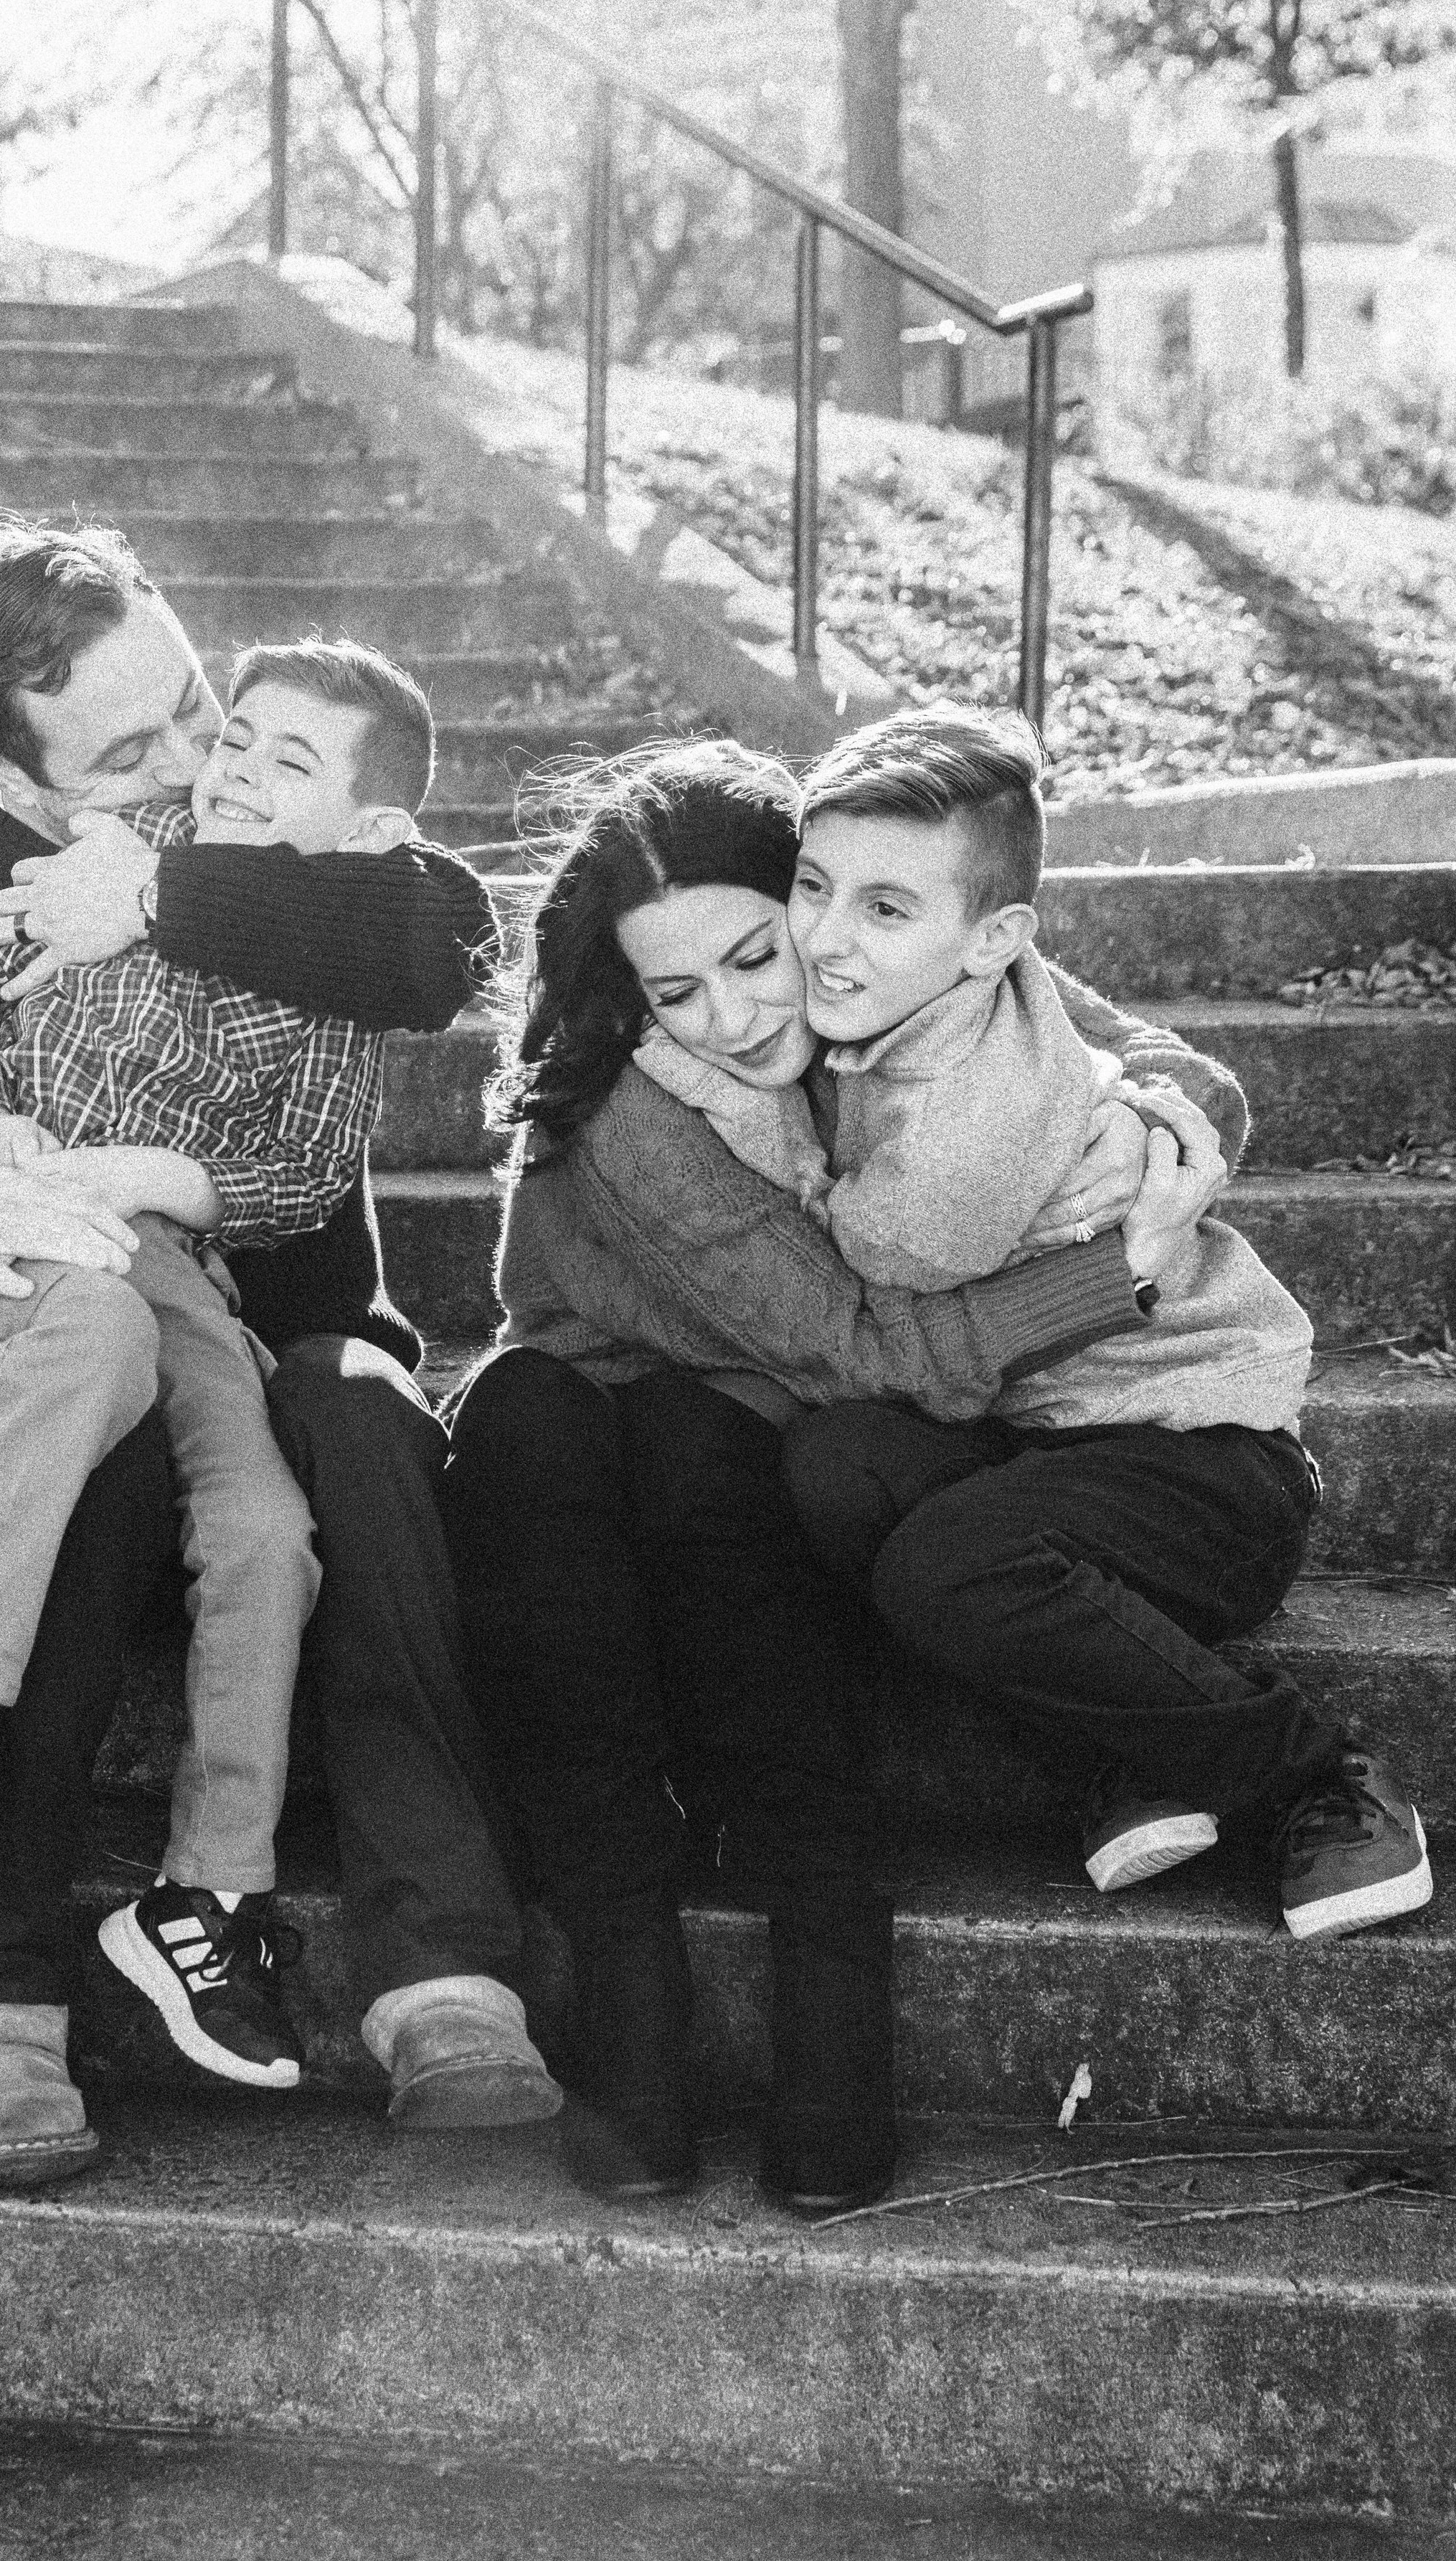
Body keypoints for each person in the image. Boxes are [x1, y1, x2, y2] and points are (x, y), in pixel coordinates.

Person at [0, 519, 558, 2189]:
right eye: (126, 750)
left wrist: (165, 884)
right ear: (0, 760)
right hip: (25, 1382)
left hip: (273, 1357)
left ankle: (439, 1968)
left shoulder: (243, 822)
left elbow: (445, 935)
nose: (186, 756)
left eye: (190, 702)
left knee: (373, 1424)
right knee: (86, 1448)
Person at [440, 740, 1209, 2215]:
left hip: (750, 1435)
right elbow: (859, 1345)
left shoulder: (878, 961)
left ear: (810, 901)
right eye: (675, 993)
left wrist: (1182, 1125)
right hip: (611, 1409)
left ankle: (829, 2022)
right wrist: (1114, 1270)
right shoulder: (635, 1114)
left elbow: (1111, 1035)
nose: (730, 1019)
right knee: (542, 1426)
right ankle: (628, 1995)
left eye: (753, 956)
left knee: (721, 1468)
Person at [638, 705, 1432, 1941]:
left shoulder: (955, 1151)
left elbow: (866, 1301)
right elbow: (1123, 1045)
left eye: (885, 910)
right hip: (1059, 1442)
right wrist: (1172, 1099)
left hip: (1203, 1468)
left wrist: (699, 1078)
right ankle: (1130, 1732)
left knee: (941, 1564)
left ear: (992, 936)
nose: (824, 942)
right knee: (835, 1463)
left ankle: (1312, 1774)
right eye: (813, 886)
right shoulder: (973, 979)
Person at [0, 634, 444, 2103]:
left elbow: (299, 1170)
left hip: (183, 1273)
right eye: (239, 739)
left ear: (359, 832)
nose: (230, 768)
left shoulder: (329, 962)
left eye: (290, 765)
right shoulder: (111, 845)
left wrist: (152, 1171)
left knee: (264, 1533)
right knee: (90, 1323)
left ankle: (205, 1901)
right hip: (9, 1245)